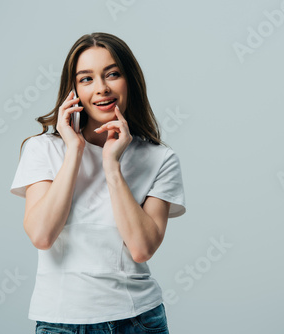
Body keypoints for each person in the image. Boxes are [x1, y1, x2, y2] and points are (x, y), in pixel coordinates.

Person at [10, 32, 186, 334]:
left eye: (112, 74)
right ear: (73, 90)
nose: (102, 88)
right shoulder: (43, 149)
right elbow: (41, 235)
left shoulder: (160, 158)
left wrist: (112, 165)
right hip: (60, 323)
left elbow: (142, 248)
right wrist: (75, 151)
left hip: (137, 320)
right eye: (86, 79)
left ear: (129, 80)